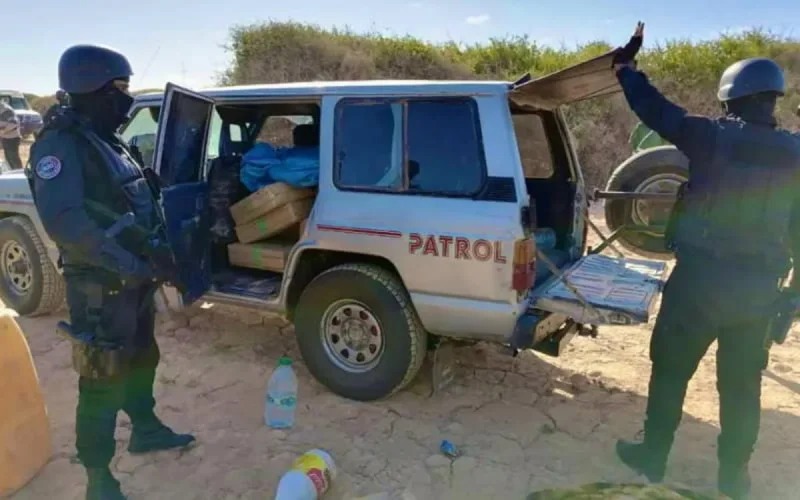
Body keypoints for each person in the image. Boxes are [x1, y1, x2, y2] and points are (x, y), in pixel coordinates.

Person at [611, 23, 800, 500]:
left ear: (731, 97)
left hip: (698, 285)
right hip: (758, 293)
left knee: (670, 372)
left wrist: (626, 68)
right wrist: (793, 296)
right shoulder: (796, 154)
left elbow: (656, 110)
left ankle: (652, 457)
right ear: (772, 100)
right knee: (741, 389)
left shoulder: (711, 137)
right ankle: (733, 478)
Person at [28, 44, 194, 500]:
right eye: (120, 87)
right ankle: (98, 478)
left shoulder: (107, 138)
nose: (126, 97)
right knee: (102, 379)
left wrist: (158, 254)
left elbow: (132, 200)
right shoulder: (60, 144)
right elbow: (67, 223)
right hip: (100, 285)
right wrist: (132, 264)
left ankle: (146, 428)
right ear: (93, 87)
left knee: (142, 356)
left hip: (133, 279)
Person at [0, 98, 23, 170]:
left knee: (13, 159)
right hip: (6, 137)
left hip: (12, 138)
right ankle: (13, 173)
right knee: (9, 159)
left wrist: (2, 131)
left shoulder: (5, 110)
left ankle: (19, 173)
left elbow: (14, 123)